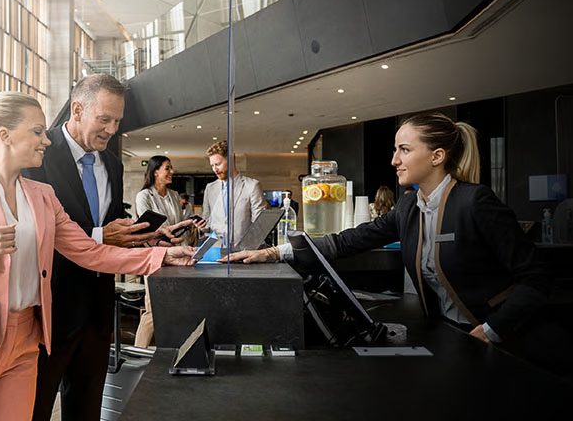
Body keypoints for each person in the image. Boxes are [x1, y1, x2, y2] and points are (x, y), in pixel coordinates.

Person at [0, 91, 194, 421]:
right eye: (36, 131)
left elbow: (91, 251)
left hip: (24, 344)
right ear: (4, 135)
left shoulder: (43, 195)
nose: (46, 139)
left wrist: (159, 256)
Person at [230, 112, 549, 346]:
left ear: (437, 156)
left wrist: (491, 330)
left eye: (405, 150)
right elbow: (348, 241)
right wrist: (272, 252)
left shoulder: (475, 202)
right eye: (395, 149)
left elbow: (536, 279)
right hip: (450, 337)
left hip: (500, 341)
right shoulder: (409, 207)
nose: (394, 159)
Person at [22, 74, 189, 421]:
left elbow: (115, 228)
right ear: (78, 109)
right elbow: (38, 234)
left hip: (98, 312)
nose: (112, 131)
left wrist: (152, 237)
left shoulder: (111, 164)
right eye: (105, 120)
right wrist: (100, 235)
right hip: (48, 313)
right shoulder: (39, 154)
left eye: (118, 122)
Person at [133, 156, 193, 348]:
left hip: (176, 255)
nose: (172, 172)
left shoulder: (175, 195)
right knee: (153, 311)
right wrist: (166, 235)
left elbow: (175, 225)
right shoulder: (144, 196)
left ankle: (171, 352)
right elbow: (146, 230)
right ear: (155, 171)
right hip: (155, 257)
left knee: (176, 308)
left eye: (171, 168)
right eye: (167, 168)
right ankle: (138, 352)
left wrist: (188, 227)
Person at [200, 140, 266, 248]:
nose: (215, 169)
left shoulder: (252, 186)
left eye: (218, 164)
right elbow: (207, 224)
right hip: (215, 250)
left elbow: (259, 225)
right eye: (212, 165)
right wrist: (202, 227)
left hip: (244, 251)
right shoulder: (210, 188)